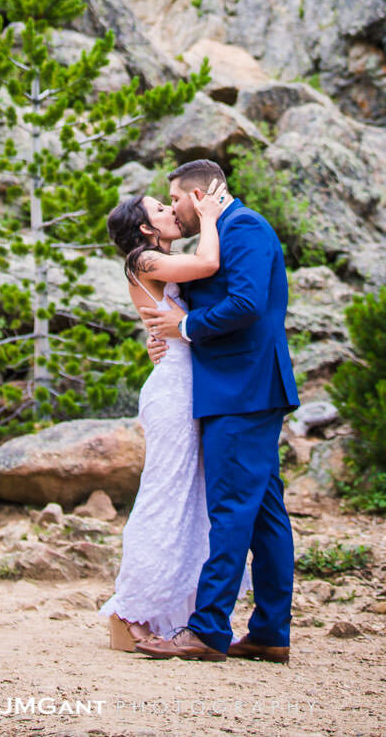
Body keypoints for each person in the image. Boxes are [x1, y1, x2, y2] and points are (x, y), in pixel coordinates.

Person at [136, 158, 300, 664]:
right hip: (236, 388)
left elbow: (248, 304)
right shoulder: (220, 230)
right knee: (265, 512)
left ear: (203, 192)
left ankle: (208, 629)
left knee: (229, 508)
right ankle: (271, 632)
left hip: (243, 389)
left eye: (177, 199)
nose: (175, 210)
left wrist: (183, 328)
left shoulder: (244, 226)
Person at [97, 178, 252, 651]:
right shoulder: (142, 259)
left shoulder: (155, 261)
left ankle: (167, 611)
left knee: (189, 498)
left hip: (187, 384)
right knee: (164, 495)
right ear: (147, 227)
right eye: (162, 207)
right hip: (172, 391)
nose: (172, 210)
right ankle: (128, 612)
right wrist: (208, 217)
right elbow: (208, 262)